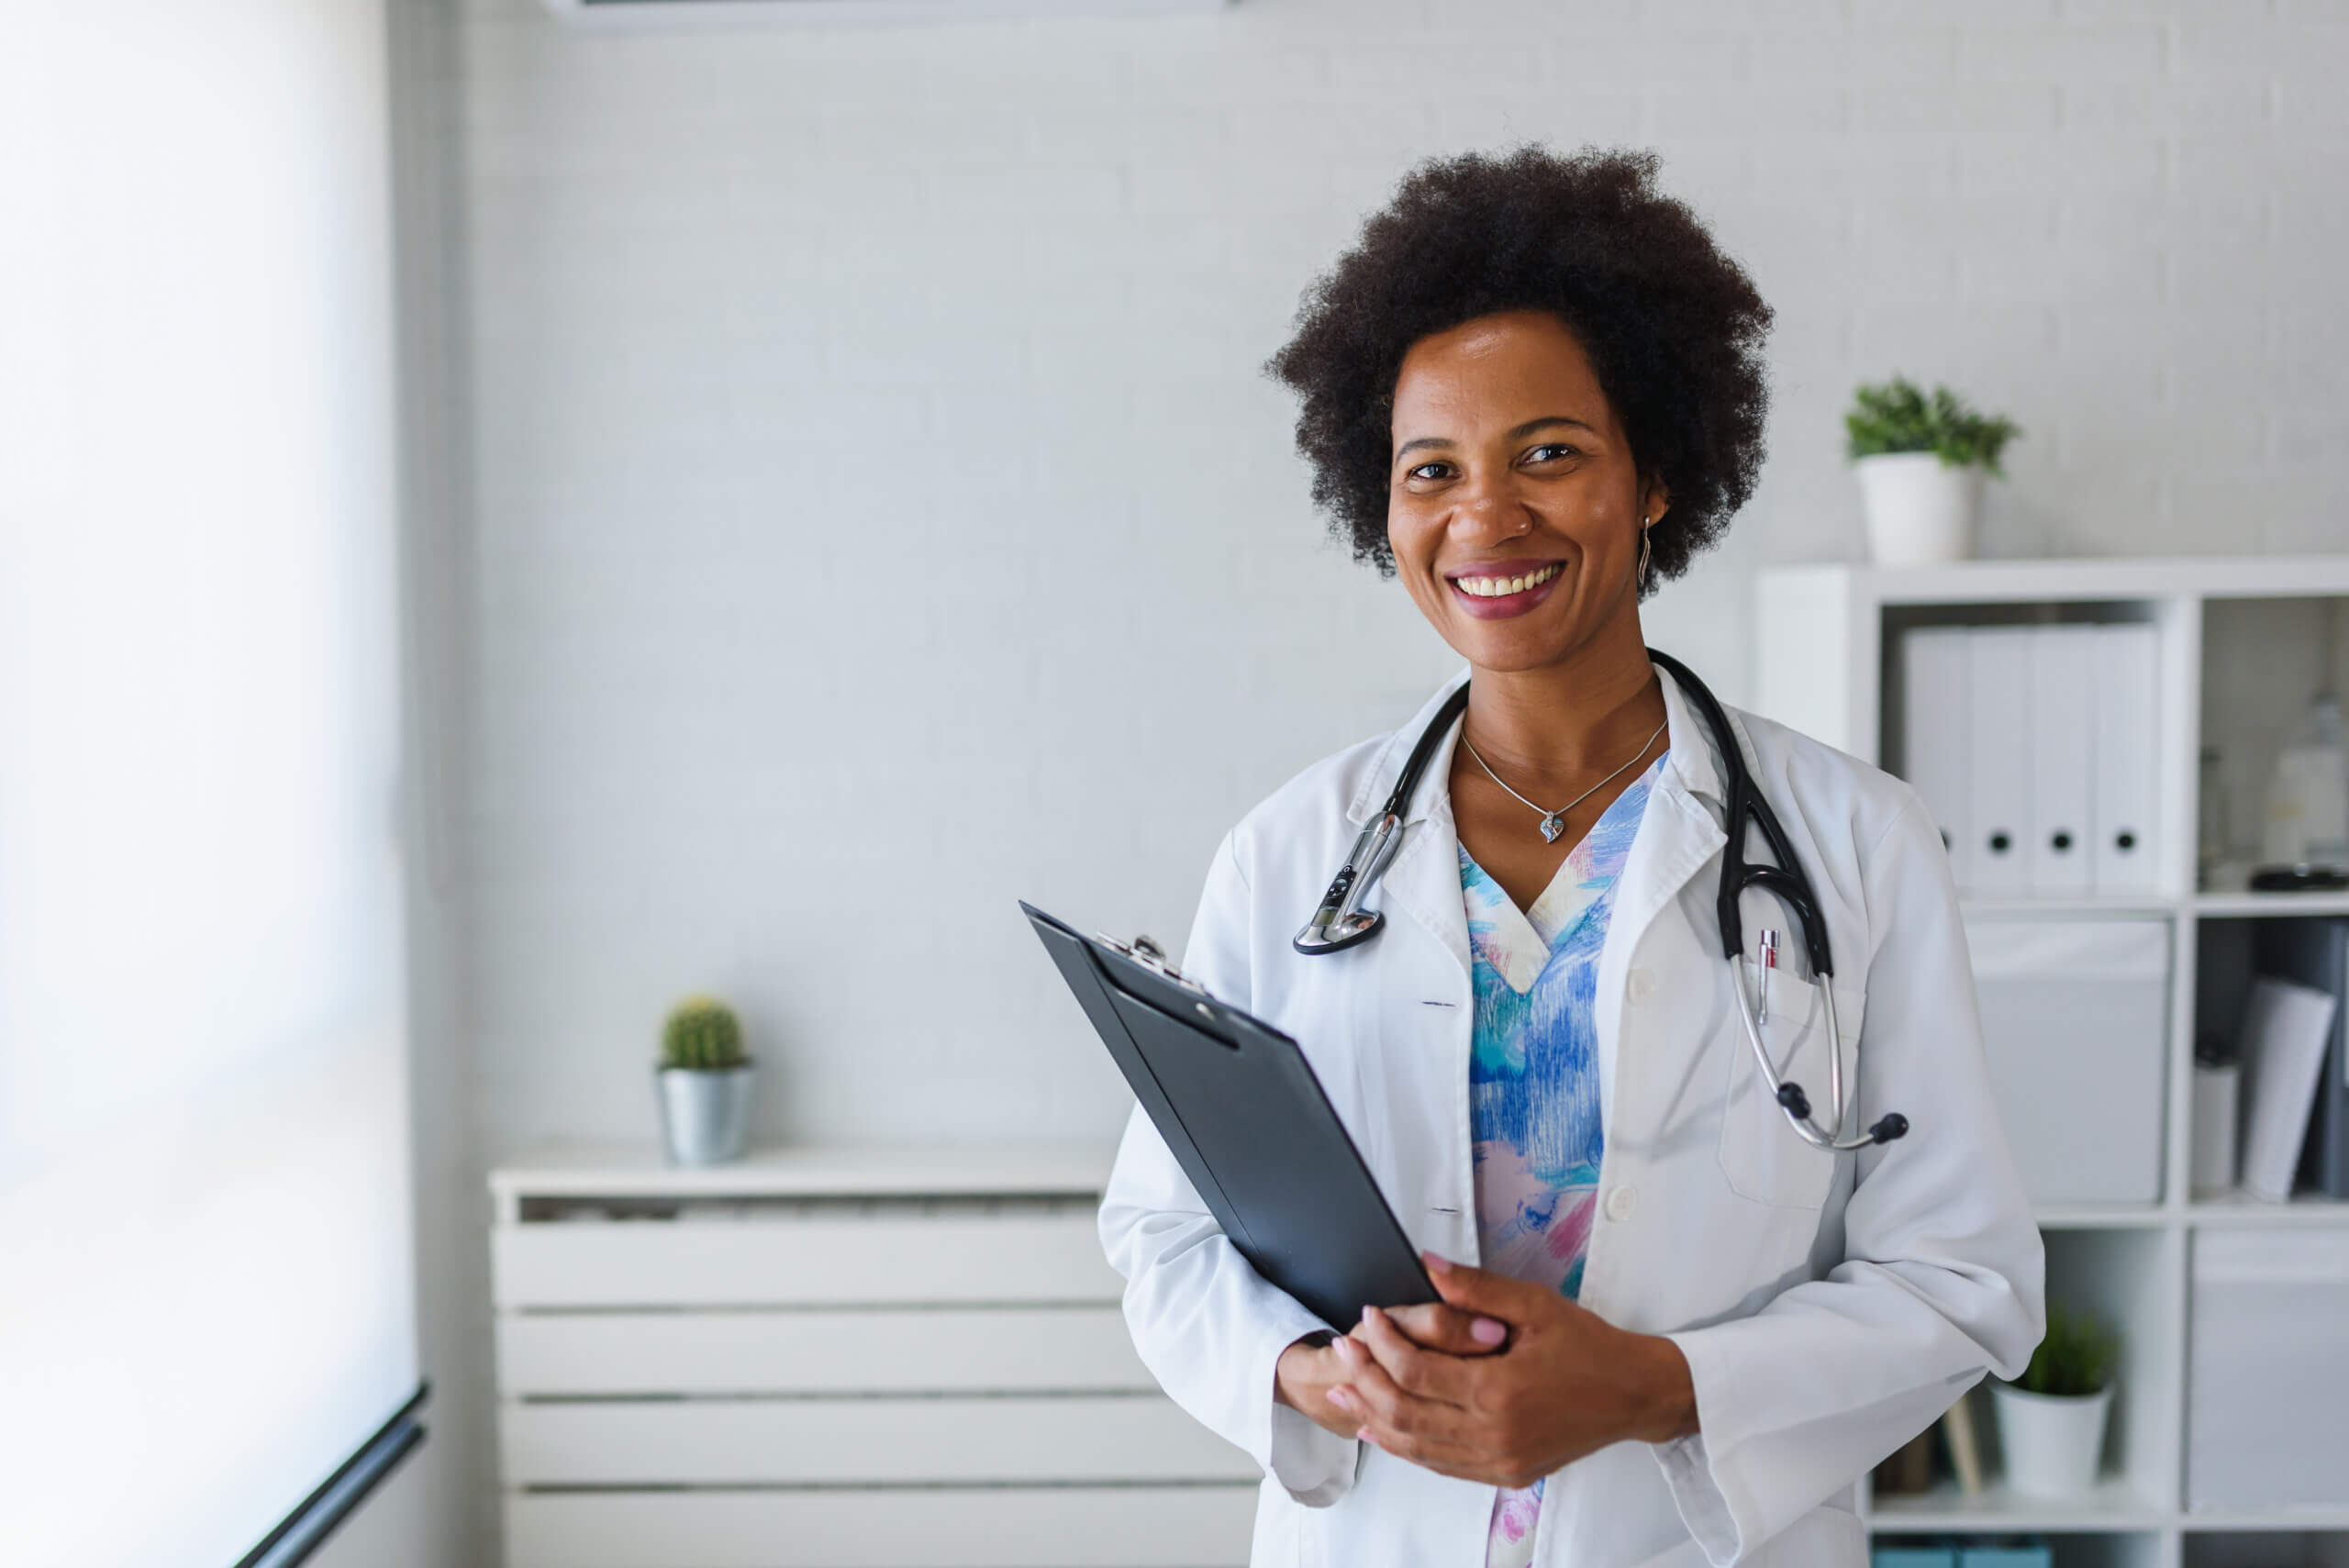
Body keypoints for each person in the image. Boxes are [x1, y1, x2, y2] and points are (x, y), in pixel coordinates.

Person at [1097, 146, 2044, 1568]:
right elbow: (1165, 1237)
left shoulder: (1858, 844)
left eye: (1549, 451)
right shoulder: (1292, 853)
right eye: (1433, 470)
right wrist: (1305, 1373)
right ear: (1385, 505)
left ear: (1655, 473)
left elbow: (1964, 1280)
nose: (1486, 517)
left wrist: (1654, 1390)